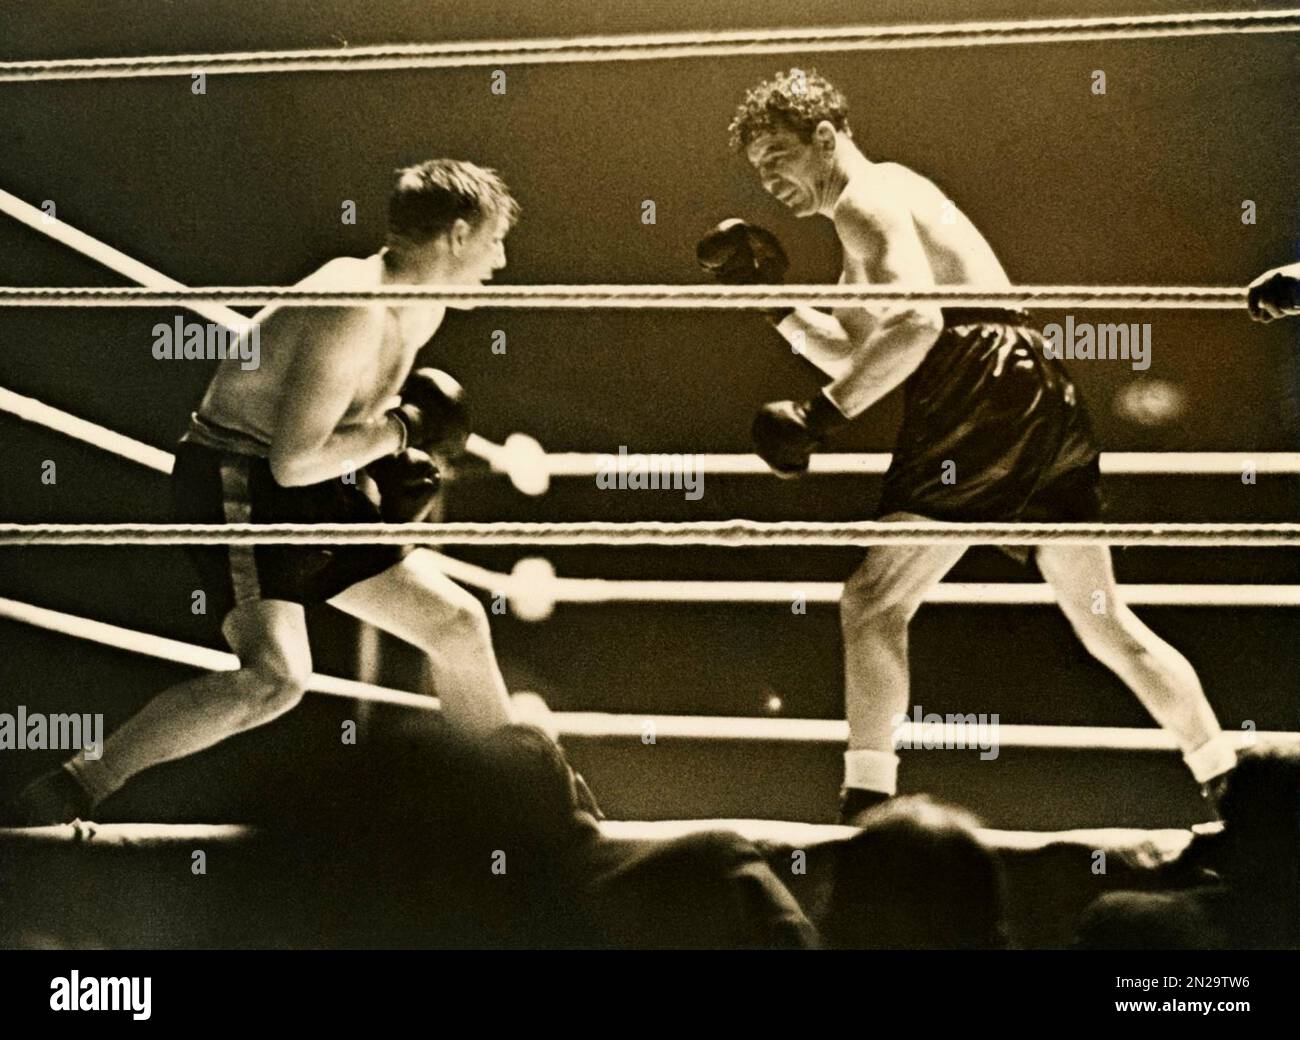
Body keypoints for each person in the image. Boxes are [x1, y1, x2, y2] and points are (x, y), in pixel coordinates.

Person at [699, 69, 1236, 824]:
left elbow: (916, 328)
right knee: (1104, 620)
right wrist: (775, 302)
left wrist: (821, 418)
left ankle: (866, 814)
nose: (770, 180)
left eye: (779, 156)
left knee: (872, 601)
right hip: (1034, 384)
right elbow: (875, 347)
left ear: (826, 137)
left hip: (980, 384)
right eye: (757, 170)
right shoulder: (887, 207)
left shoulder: (865, 199)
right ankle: (1230, 783)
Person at [7, 159, 522, 825]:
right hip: (236, 478)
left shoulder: (420, 308)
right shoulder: (354, 304)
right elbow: (295, 462)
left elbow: (343, 433)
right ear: (455, 235)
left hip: (302, 482)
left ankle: (527, 811)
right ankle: (67, 791)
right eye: (493, 239)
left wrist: (384, 460)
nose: (501, 258)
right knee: (276, 678)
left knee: (457, 625)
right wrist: (399, 436)